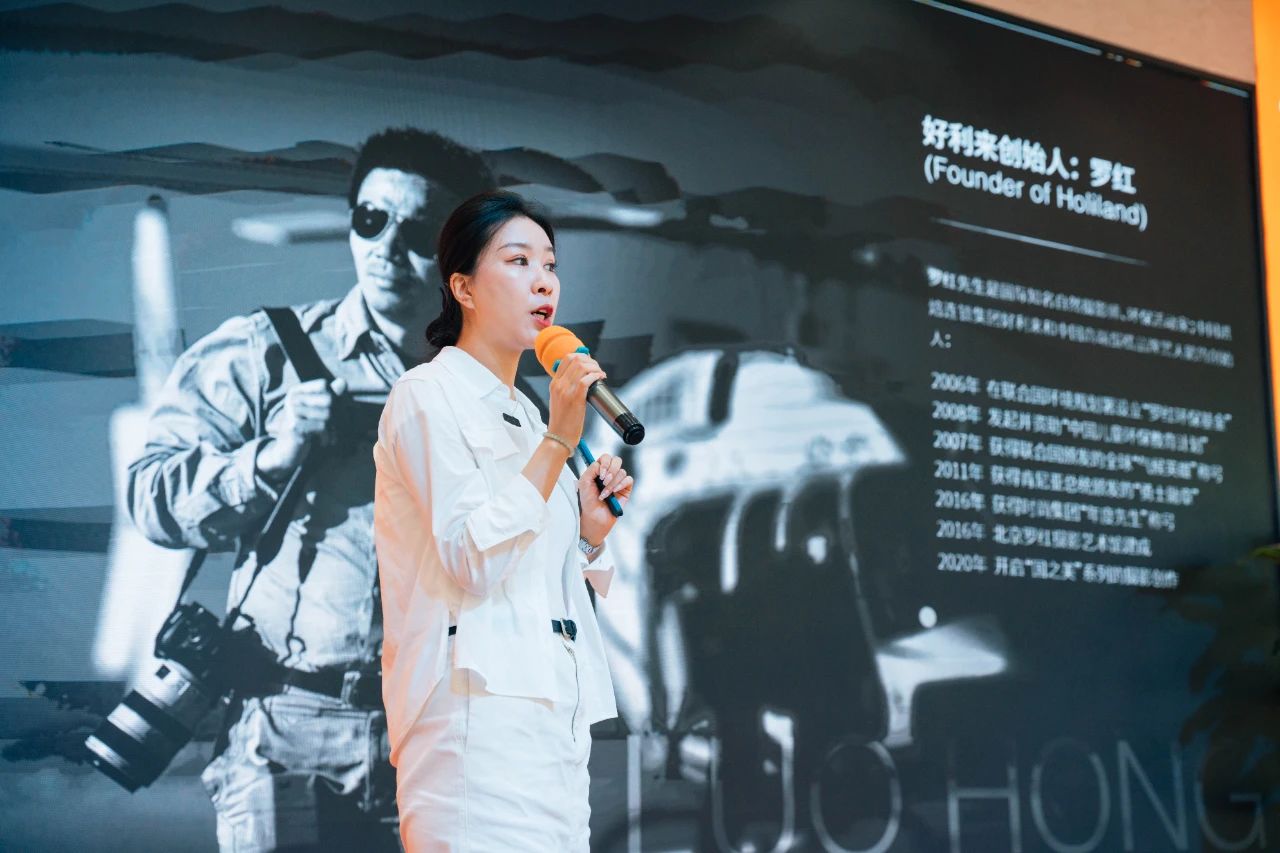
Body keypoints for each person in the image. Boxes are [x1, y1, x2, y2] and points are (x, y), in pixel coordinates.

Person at [129, 127, 490, 851]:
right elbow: (153, 495)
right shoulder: (265, 352)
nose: (386, 247)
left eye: (419, 232)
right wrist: (272, 455)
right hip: (289, 728)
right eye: (371, 219)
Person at [373, 190, 633, 851]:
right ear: (462, 286)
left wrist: (587, 537)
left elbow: (537, 580)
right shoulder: (426, 395)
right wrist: (559, 441)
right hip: (472, 729)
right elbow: (472, 560)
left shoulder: (528, 416)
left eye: (550, 264)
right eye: (518, 261)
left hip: (552, 729)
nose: (543, 281)